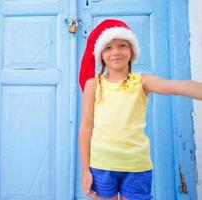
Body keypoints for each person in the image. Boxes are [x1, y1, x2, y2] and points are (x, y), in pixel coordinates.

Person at [78, 19, 202, 200]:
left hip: (136, 166)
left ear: (132, 50)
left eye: (122, 45)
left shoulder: (143, 81)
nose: (116, 52)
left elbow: (179, 86)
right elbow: (85, 128)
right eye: (108, 48)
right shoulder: (93, 85)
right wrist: (85, 170)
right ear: (101, 55)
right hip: (101, 166)